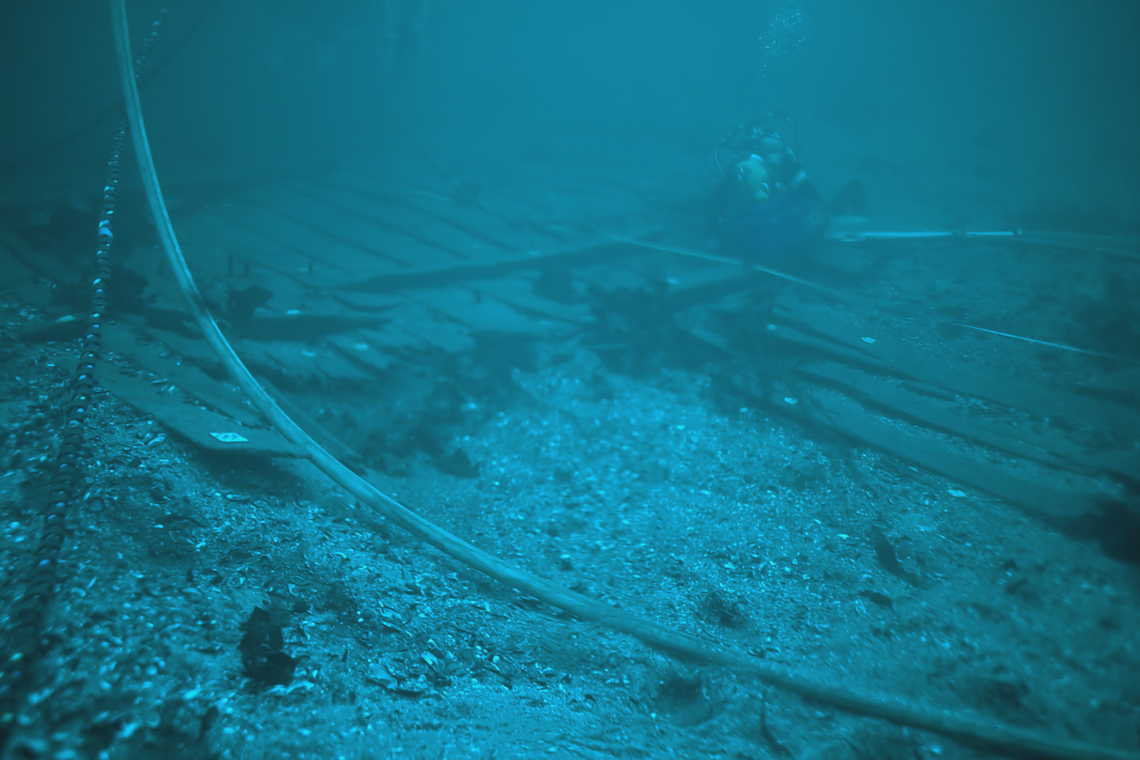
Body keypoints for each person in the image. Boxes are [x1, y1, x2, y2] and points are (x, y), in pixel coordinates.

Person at [710, 114, 865, 263]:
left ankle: (861, 218)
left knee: (846, 193)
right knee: (849, 191)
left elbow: (721, 198)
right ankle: (863, 218)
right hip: (785, 229)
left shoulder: (743, 169)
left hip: (769, 229)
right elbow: (810, 197)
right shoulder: (785, 167)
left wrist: (717, 230)